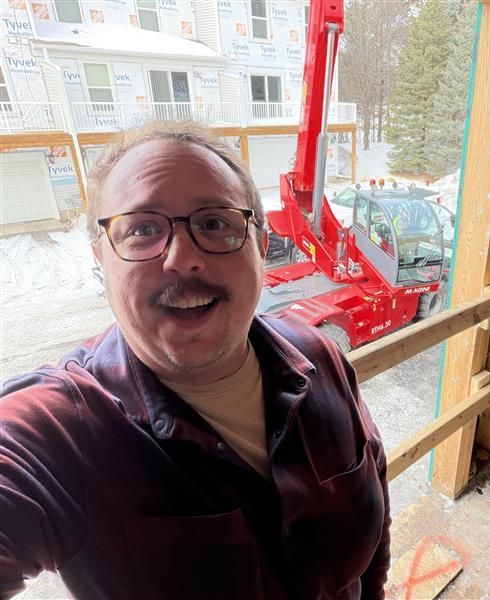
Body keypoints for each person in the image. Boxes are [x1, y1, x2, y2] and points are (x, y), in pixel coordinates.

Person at [0, 122, 391, 599]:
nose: (182, 259)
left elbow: (376, 494)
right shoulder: (59, 430)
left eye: (214, 223)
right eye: (143, 229)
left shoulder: (320, 356)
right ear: (101, 259)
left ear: (261, 247)